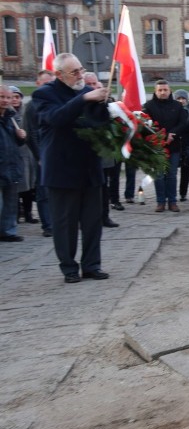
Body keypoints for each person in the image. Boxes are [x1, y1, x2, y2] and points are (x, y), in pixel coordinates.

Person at [31, 53, 111, 283]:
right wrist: (84, 99)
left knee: (92, 222)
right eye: (74, 72)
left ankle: (92, 265)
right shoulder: (44, 94)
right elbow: (56, 118)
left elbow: (99, 123)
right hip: (61, 171)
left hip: (90, 168)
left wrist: (108, 106)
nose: (80, 75)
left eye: (81, 69)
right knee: (65, 224)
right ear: (58, 74)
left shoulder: (87, 92)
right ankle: (68, 267)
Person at [81, 73, 120, 228]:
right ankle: (84, 219)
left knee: (103, 188)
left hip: (104, 155)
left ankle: (104, 216)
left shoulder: (107, 104)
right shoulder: (80, 105)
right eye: (88, 84)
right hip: (84, 157)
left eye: (95, 84)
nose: (92, 87)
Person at [143, 80, 187, 212]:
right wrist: (158, 135)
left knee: (172, 175)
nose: (163, 92)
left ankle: (172, 201)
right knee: (159, 175)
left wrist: (173, 133)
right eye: (160, 90)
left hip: (173, 145)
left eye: (165, 90)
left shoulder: (177, 106)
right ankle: (160, 201)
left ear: (170, 91)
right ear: (155, 92)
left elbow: (183, 123)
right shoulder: (148, 106)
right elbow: (144, 123)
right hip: (156, 145)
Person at [23, 69, 54, 237]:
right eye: (45, 83)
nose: (48, 86)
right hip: (41, 155)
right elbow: (31, 133)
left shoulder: (54, 102)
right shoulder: (32, 105)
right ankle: (47, 225)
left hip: (54, 152)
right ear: (38, 84)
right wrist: (40, 156)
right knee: (43, 191)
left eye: (51, 83)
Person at [8, 86, 39, 226]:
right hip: (13, 155)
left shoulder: (25, 111)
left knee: (28, 185)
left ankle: (28, 213)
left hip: (27, 154)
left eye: (17, 97)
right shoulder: (7, 114)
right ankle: (14, 215)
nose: (14, 100)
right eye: (12, 97)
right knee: (16, 187)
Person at [0, 85, 26, 242]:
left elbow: (17, 143)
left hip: (11, 164)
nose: (5, 100)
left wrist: (21, 136)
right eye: (2, 97)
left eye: (8, 97)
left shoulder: (10, 117)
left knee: (10, 202)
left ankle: (8, 231)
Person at [174, 89, 189, 202]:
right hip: (175, 142)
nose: (181, 101)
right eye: (179, 99)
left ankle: (183, 193)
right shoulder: (172, 110)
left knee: (185, 169)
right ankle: (172, 193)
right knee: (172, 170)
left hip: (187, 143)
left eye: (183, 99)